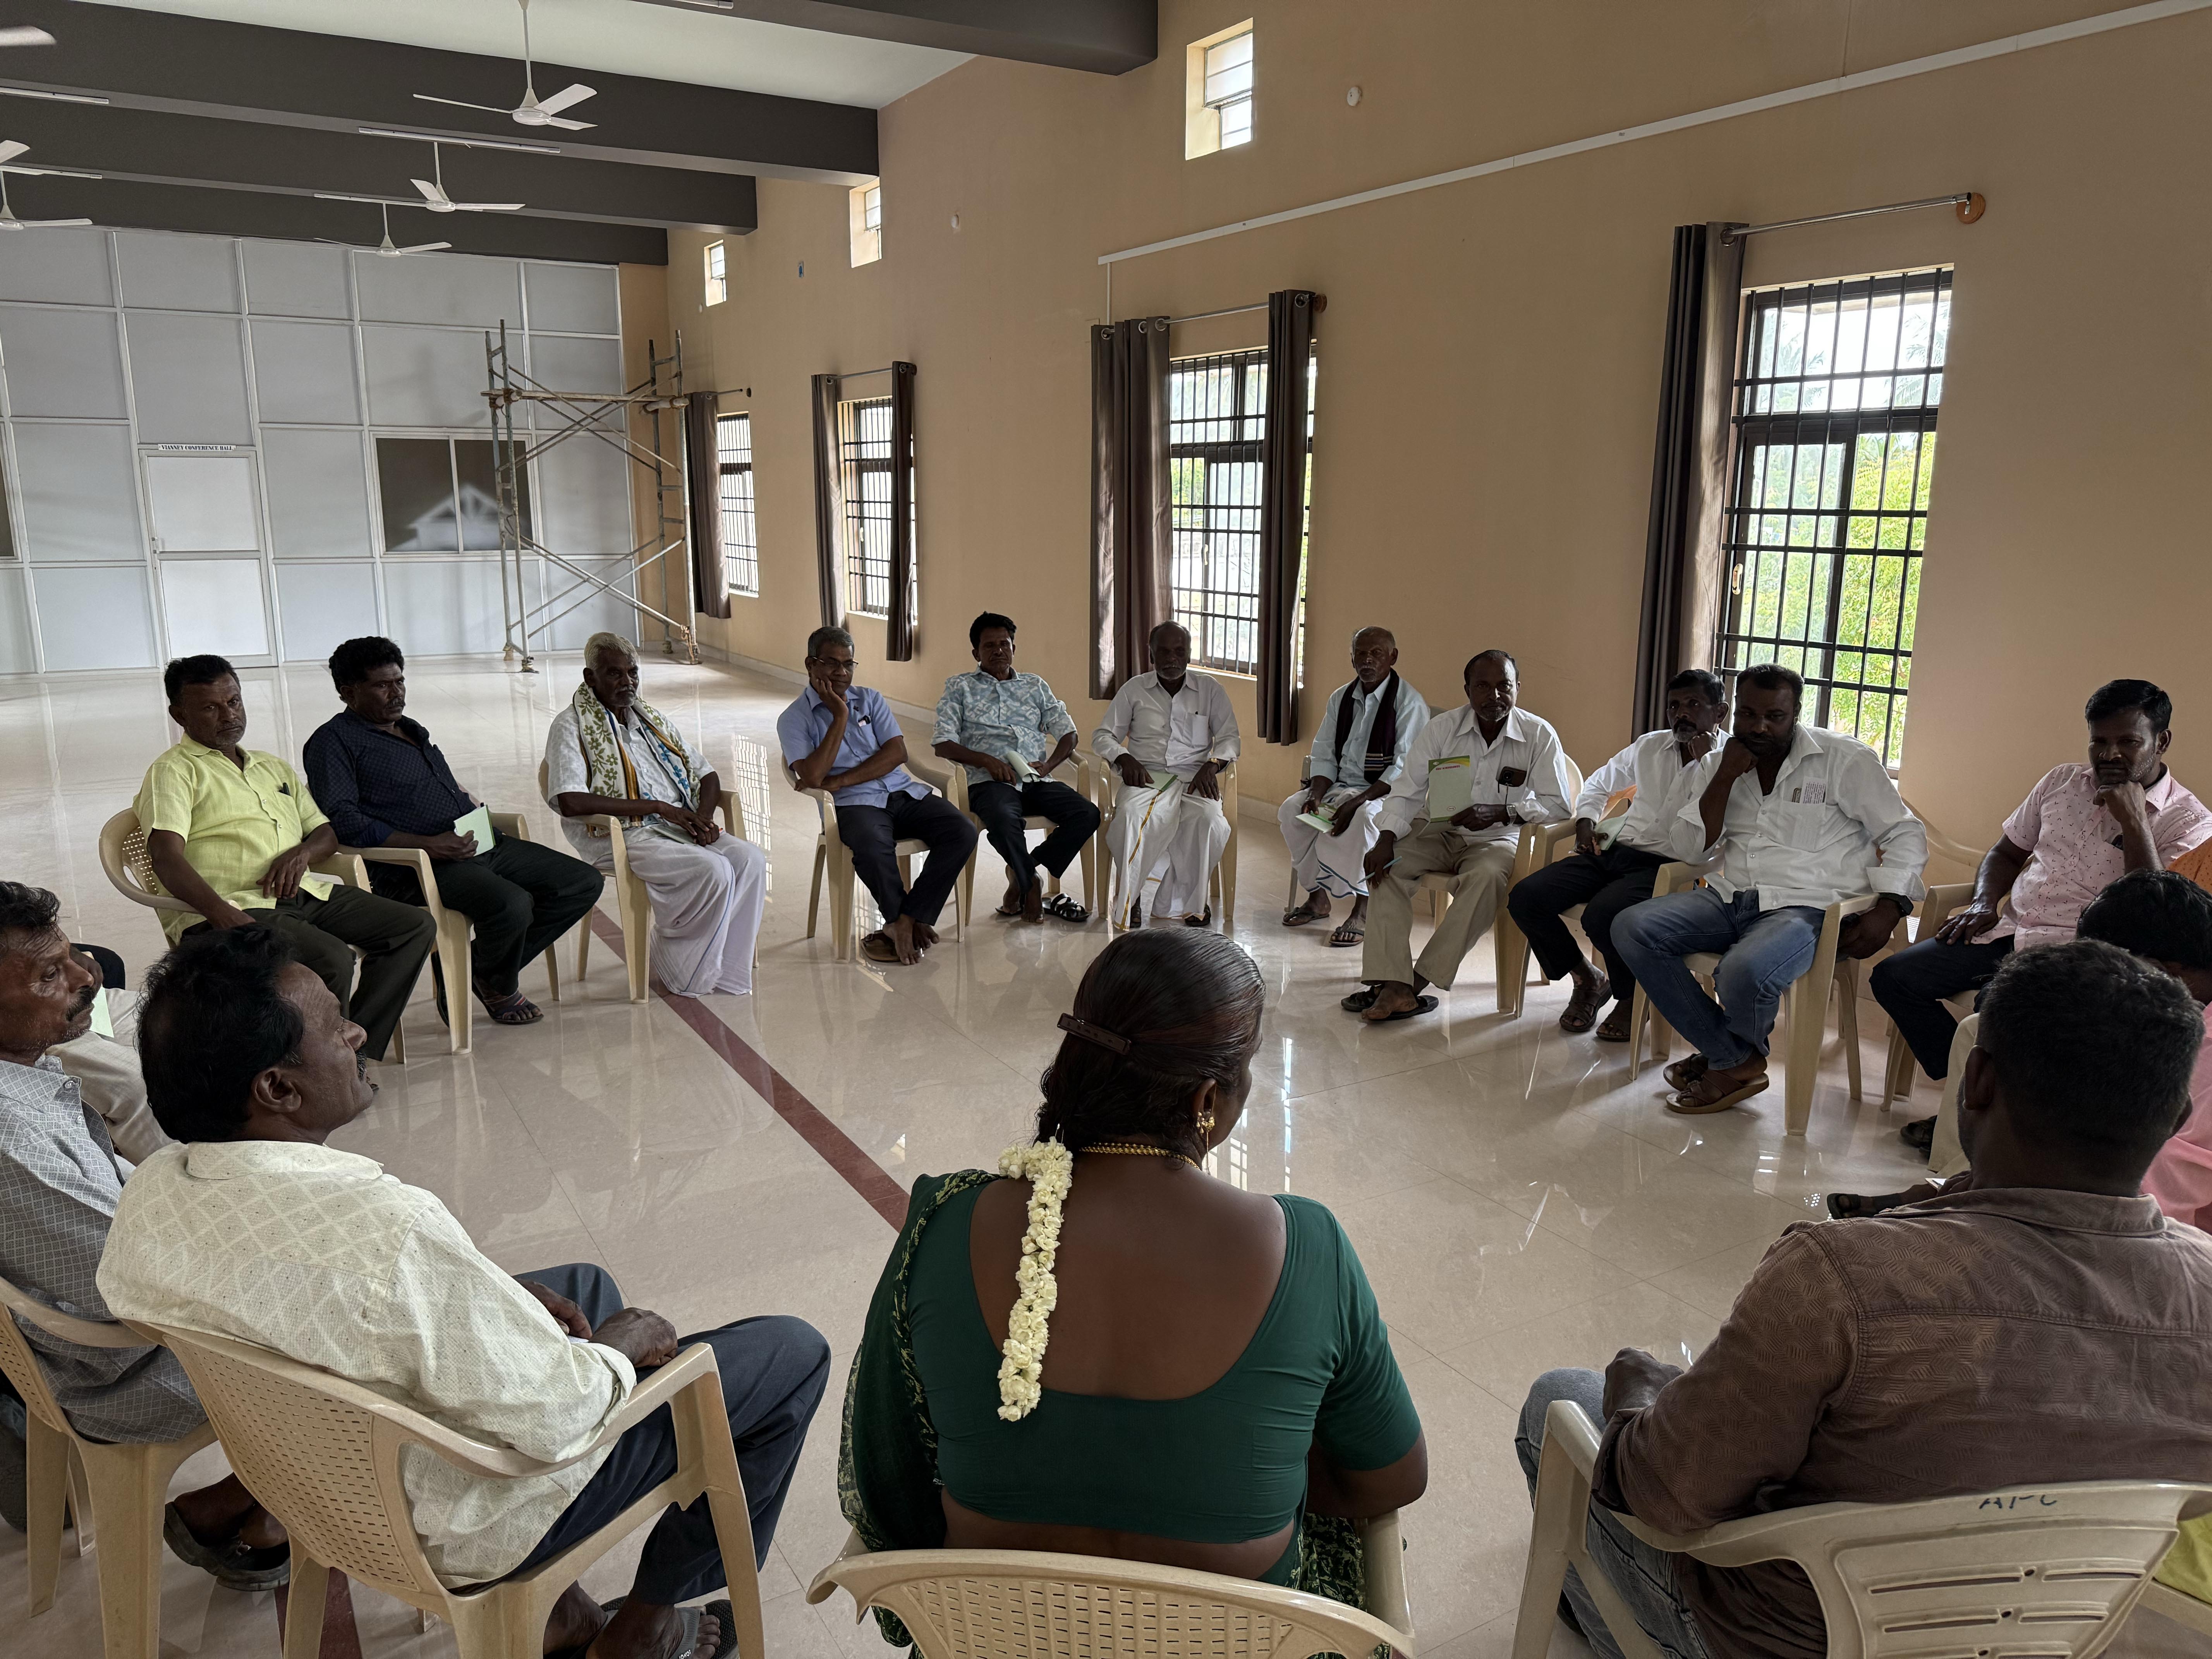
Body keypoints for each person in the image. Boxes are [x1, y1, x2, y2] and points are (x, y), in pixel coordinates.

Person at [100, 927, 831, 1659]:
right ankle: (644, 1627)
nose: (357, 1032)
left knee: (583, 1287)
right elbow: (557, 1416)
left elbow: (309, 1303)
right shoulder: (390, 1230)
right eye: (335, 1024)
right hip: (464, 1517)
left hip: (311, 1482)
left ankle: (561, 1613)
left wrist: (481, 1295)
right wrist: (618, 1347)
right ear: (279, 1089)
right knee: (789, 1352)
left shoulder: (155, 1194)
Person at [1516, 939, 2212, 1659]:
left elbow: (1667, 1497)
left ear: (1975, 1080)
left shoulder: (1841, 1274)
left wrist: (1638, 1400)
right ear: (2176, 1115)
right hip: (2050, 1627)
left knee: (1560, 1399)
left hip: (1791, 1637)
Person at [841, 929, 1426, 1640]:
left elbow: (891, 1471)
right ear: (1206, 1097)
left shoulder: (945, 1222)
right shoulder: (1306, 1246)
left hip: (994, 1640)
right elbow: (1390, 1479)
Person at [0, 883, 285, 1584]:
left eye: (73, 956)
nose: (87, 976)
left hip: (119, 1323)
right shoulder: (12, 1137)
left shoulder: (28, 1076)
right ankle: (291, 1503)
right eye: (51, 974)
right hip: (122, 1370)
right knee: (357, 1335)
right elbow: (136, 1283)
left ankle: (233, 1502)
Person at [1872, 678, 2209, 1155]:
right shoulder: (2062, 783)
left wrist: (2135, 820)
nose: (2110, 754)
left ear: (2162, 742)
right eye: (2099, 741)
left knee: (1997, 1012)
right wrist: (1984, 902)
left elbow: (2152, 910)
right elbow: (2006, 853)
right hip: (2010, 931)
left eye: (2128, 742)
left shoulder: (2189, 821)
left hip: (2083, 955)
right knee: (1894, 977)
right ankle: (1971, 1103)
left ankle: (1984, 1120)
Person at [1613, 664, 1926, 1114]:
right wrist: (1724, 777)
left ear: (1795, 714)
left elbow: (1903, 833)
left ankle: (1725, 1058)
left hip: (1808, 908)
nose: (1759, 727)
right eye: (1749, 714)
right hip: (1730, 897)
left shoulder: (1843, 759)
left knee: (1742, 971)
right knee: (1632, 928)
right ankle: (1733, 1057)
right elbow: (1689, 848)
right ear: (1734, 712)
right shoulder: (1719, 763)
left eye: (1774, 717)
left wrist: (1892, 906)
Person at [1832, 869, 2212, 1226]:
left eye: (2113, 977)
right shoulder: (2183, 1012)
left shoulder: (2197, 1043)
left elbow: (2167, 1194)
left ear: (2161, 972)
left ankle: (1959, 1201)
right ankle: (1953, 1192)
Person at [134, 654, 435, 1063]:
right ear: (179, 715)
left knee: (413, 926)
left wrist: (302, 853)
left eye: (234, 702)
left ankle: (352, 1050)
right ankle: (322, 1066)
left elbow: (325, 833)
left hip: (302, 893)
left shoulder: (270, 766)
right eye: (210, 708)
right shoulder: (174, 771)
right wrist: (223, 914)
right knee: (333, 959)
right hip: (233, 906)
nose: (229, 715)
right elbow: (166, 859)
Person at [304, 636, 604, 1028]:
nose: (397, 693)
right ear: (348, 692)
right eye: (382, 685)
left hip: (476, 841)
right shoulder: (333, 743)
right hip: (416, 865)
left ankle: (473, 970)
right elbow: (343, 819)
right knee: (512, 905)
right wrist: (429, 846)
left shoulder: (409, 729)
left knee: (581, 882)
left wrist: (475, 815)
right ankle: (494, 982)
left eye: (400, 681)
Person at [1347, 649, 1575, 1023]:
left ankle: (1414, 983)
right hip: (1438, 832)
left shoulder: (1539, 735)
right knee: (1387, 869)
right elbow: (1407, 789)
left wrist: (1504, 811)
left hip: (1500, 840)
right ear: (1467, 690)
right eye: (1483, 686)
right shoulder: (1442, 729)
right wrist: (1385, 838)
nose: (1494, 696)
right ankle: (1393, 981)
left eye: (1504, 686)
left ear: (1518, 688)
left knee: (1487, 878)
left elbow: (1559, 805)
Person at [1506, 670, 1729, 1041]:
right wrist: (1586, 822)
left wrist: (1709, 762)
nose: (1681, 714)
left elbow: (1714, 836)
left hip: (1669, 868)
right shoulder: (1650, 746)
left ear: (1719, 713)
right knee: (1526, 898)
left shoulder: (1728, 762)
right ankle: (1588, 979)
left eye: (1694, 705)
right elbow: (1599, 783)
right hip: (1616, 850)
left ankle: (1630, 998)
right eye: (1674, 706)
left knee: (1603, 916)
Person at [546, 632, 765, 999]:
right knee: (713, 870)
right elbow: (570, 801)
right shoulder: (570, 725)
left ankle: (726, 969)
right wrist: (659, 808)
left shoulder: (651, 720)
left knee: (750, 860)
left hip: (677, 824)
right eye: (614, 674)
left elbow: (707, 774)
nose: (627, 682)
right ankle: (680, 965)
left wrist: (703, 819)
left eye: (633, 672)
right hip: (622, 835)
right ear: (590, 678)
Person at [780, 626, 977, 965]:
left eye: (848, 664)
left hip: (901, 791)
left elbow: (897, 753)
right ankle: (904, 921)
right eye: (832, 663)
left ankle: (905, 920)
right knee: (872, 847)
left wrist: (841, 780)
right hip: (853, 806)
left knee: (962, 830)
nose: (842, 672)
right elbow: (812, 776)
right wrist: (840, 716)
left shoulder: (871, 699)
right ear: (811, 664)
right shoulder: (794, 718)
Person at [931, 612, 1096, 925]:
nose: (998, 651)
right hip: (989, 781)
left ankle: (1024, 871)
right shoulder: (960, 687)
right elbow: (943, 743)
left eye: (1004, 644)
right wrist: (986, 760)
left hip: (1036, 779)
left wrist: (1049, 766)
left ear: (1014, 648)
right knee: (1003, 818)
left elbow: (1069, 734)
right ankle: (1030, 883)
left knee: (1087, 813)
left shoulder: (1035, 685)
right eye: (989, 646)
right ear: (976, 653)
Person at [1278, 627, 1431, 950]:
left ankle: (1363, 909)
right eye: (1361, 654)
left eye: (1377, 653)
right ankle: (1318, 899)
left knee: (1365, 820)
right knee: (1292, 811)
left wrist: (1358, 801)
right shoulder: (1341, 698)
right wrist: (1316, 795)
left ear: (1393, 657)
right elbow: (1324, 754)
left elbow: (1404, 769)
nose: (1368, 660)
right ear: (1352, 659)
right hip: (1341, 788)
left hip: (1386, 793)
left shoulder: (1409, 703)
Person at [1092, 623, 1242, 929]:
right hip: (1146, 778)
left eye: (1179, 652)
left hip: (1195, 779)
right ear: (1151, 655)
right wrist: (1124, 757)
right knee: (1130, 817)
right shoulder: (1134, 690)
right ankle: (1131, 897)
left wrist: (1212, 764)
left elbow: (1230, 738)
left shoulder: (1210, 690)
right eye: (1164, 652)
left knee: (1209, 821)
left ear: (1189, 655)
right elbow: (1103, 736)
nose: (1172, 659)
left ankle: (1193, 902)